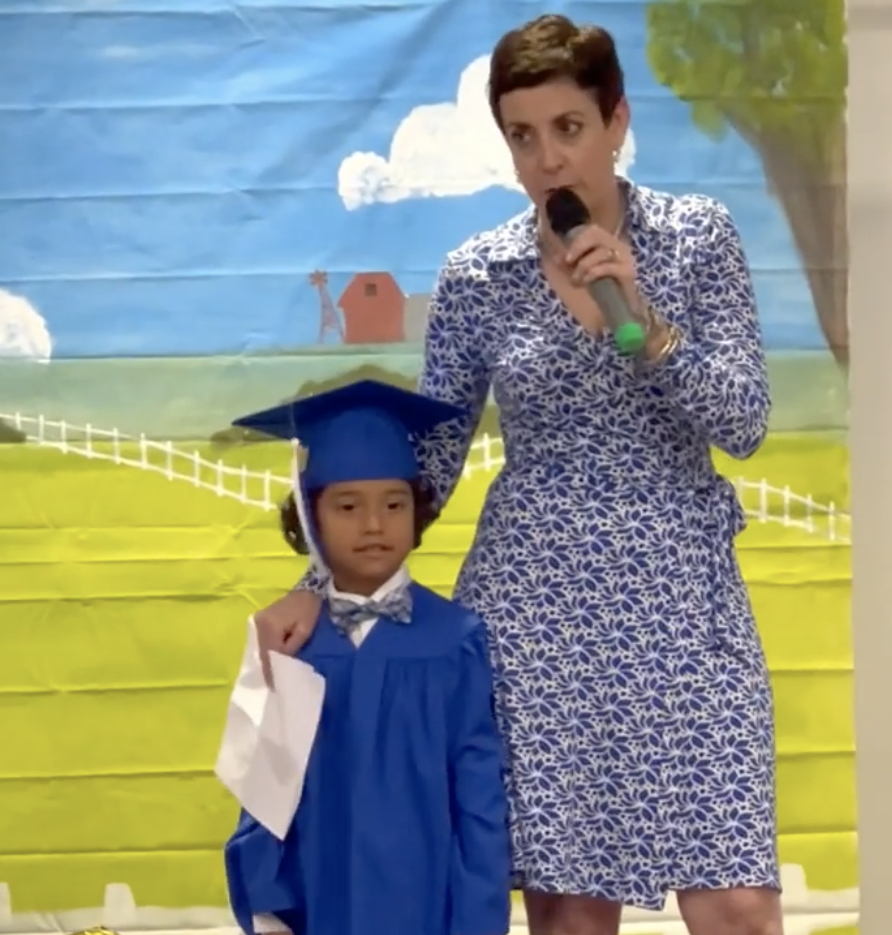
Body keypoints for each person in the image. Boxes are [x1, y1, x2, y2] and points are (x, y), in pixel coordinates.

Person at [250, 13, 781, 935]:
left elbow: (744, 422)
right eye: (523, 138)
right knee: (571, 912)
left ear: (615, 122)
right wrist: (320, 586)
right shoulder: (479, 274)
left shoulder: (697, 239)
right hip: (539, 610)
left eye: (569, 129)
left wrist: (645, 330)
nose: (548, 160)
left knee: (736, 901)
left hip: (684, 602)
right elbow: (425, 465)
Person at [223, 380, 512, 935]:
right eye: (348, 506)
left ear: (418, 509)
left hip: (428, 905)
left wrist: (479, 919)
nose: (374, 525)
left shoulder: (455, 638)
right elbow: (264, 794)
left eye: (394, 504)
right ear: (310, 517)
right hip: (316, 899)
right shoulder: (289, 642)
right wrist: (268, 911)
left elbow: (479, 800)